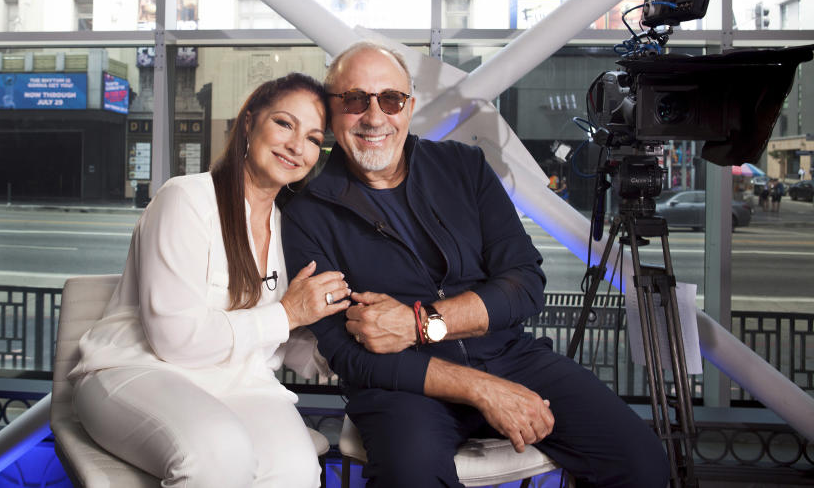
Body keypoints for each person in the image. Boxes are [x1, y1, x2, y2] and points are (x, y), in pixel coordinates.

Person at [282, 43, 669, 488]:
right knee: (411, 476)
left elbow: (525, 284)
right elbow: (349, 357)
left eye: (390, 99)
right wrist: (479, 387)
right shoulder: (306, 214)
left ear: (408, 108)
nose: (374, 117)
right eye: (354, 100)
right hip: (402, 387)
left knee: (642, 464)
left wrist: (420, 324)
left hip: (512, 358)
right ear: (331, 112)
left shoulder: (464, 166)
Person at [69, 73, 350, 487]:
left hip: (239, 383)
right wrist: (288, 313)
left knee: (297, 468)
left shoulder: (289, 228)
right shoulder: (184, 199)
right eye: (285, 124)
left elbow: (286, 345)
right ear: (250, 122)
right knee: (218, 453)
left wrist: (342, 350)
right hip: (139, 370)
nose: (296, 146)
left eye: (313, 138)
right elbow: (174, 341)